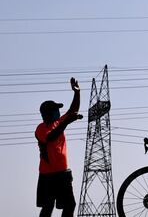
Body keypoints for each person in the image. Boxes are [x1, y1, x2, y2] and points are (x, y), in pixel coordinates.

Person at [35, 77, 82, 217]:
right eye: (56, 110)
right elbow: (51, 137)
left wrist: (77, 92)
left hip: (63, 173)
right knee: (48, 207)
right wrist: (66, 123)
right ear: (47, 114)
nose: (59, 112)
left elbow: (73, 110)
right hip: (48, 176)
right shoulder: (41, 128)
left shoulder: (58, 123)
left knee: (69, 205)